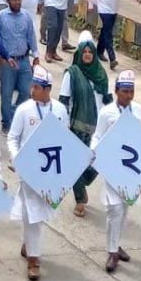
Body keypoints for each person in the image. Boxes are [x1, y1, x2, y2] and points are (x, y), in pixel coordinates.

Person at [90, 69, 141, 272]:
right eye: (125, 91)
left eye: (131, 91)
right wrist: (93, 151)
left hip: (131, 168)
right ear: (117, 91)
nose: (128, 95)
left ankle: (116, 244)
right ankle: (111, 252)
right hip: (112, 165)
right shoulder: (106, 112)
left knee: (125, 206)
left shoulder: (138, 110)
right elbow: (97, 136)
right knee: (114, 209)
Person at [6, 66, 67, 281]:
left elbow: (64, 141)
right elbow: (12, 138)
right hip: (28, 170)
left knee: (35, 214)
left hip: (49, 172)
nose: (32, 90)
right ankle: (34, 259)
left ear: (48, 89)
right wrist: (15, 157)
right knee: (32, 212)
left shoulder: (60, 110)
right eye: (32, 86)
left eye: (37, 87)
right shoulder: (24, 110)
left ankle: (28, 244)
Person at [58, 31, 110, 218]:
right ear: (79, 53)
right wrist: (63, 128)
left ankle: (84, 181)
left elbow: (109, 102)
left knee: (94, 164)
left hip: (97, 130)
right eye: (84, 51)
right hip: (75, 128)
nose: (87, 54)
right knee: (74, 164)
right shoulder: (71, 74)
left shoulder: (101, 76)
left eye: (90, 52)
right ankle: (80, 200)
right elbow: (63, 101)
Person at [0, 0, 39, 133]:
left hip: (24, 60)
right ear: (8, 0)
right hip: (7, 62)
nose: (17, 2)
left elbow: (31, 37)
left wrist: (36, 56)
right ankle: (6, 123)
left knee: (27, 91)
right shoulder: (0, 17)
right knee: (6, 94)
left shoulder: (26, 17)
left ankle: (13, 113)